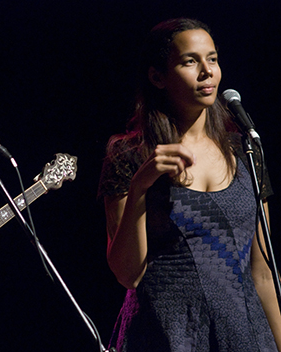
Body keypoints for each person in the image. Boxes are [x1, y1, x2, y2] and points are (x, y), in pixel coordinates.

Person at [98, 18, 281, 351]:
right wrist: (140, 187)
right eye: (189, 61)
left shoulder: (244, 151)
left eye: (212, 58)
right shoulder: (130, 154)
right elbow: (127, 275)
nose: (206, 71)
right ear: (157, 77)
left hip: (243, 331)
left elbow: (263, 273)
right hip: (165, 331)